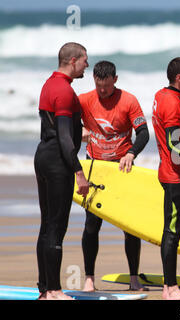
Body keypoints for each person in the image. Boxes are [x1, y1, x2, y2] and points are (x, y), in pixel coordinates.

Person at [78, 61, 150, 292]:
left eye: (107, 87)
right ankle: (89, 278)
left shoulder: (128, 100)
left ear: (115, 80)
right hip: (95, 168)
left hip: (122, 168)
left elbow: (143, 134)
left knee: (130, 227)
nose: (102, 91)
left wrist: (131, 153)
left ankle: (133, 278)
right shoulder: (84, 100)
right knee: (91, 225)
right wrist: (77, 130)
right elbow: (62, 124)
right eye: (99, 86)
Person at [34, 42, 90, 300]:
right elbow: (66, 139)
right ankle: (56, 291)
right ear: (73, 61)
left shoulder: (49, 84)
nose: (86, 65)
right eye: (84, 61)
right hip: (58, 162)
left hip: (43, 155)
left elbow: (56, 127)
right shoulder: (65, 91)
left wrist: (81, 132)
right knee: (57, 227)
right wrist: (79, 171)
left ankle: (45, 289)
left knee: (47, 226)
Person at [152, 57, 180, 299]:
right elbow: (172, 143)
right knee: (172, 232)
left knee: (172, 230)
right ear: (179, 78)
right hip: (174, 176)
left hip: (169, 172)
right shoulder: (172, 103)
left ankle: (169, 285)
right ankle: (170, 288)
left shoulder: (162, 95)